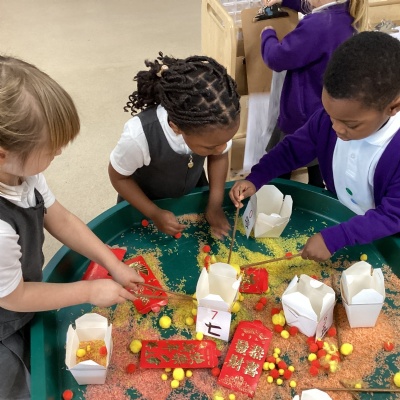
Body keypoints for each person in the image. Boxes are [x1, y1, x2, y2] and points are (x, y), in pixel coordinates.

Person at [0, 55, 144, 399]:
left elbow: (59, 218)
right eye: (51, 149)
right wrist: (88, 291)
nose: (60, 152)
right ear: (3, 153)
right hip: (5, 317)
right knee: (15, 381)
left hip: (16, 289)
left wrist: (112, 263)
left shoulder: (22, 173)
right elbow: (15, 296)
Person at [230, 31, 400, 262]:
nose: (336, 128)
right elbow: (291, 150)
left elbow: (392, 215)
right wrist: (256, 178)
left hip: (386, 240)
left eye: (350, 124)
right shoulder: (329, 120)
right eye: (330, 115)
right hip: (340, 215)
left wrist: (336, 238)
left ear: (393, 107)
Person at [108, 53, 241, 239]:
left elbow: (219, 156)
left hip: (191, 193)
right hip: (145, 204)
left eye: (225, 141)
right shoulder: (138, 136)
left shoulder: (216, 127)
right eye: (210, 147)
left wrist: (214, 204)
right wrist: (154, 213)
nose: (221, 148)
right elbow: (119, 177)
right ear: (177, 127)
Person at [260, 0, 368, 187]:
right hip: (326, 109)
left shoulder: (318, 24)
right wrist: (285, 2)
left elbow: (277, 58)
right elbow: (312, 7)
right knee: (318, 161)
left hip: (301, 114)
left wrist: (267, 35)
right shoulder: (347, 13)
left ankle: (277, 198)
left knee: (282, 162)